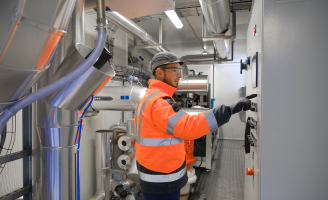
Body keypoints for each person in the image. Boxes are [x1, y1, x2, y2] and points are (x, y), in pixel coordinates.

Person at [134, 52, 256, 200]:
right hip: (162, 179)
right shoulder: (159, 102)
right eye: (175, 70)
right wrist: (229, 110)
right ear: (159, 72)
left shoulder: (150, 97)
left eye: (180, 70)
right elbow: (189, 127)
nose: (180, 75)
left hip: (155, 174)